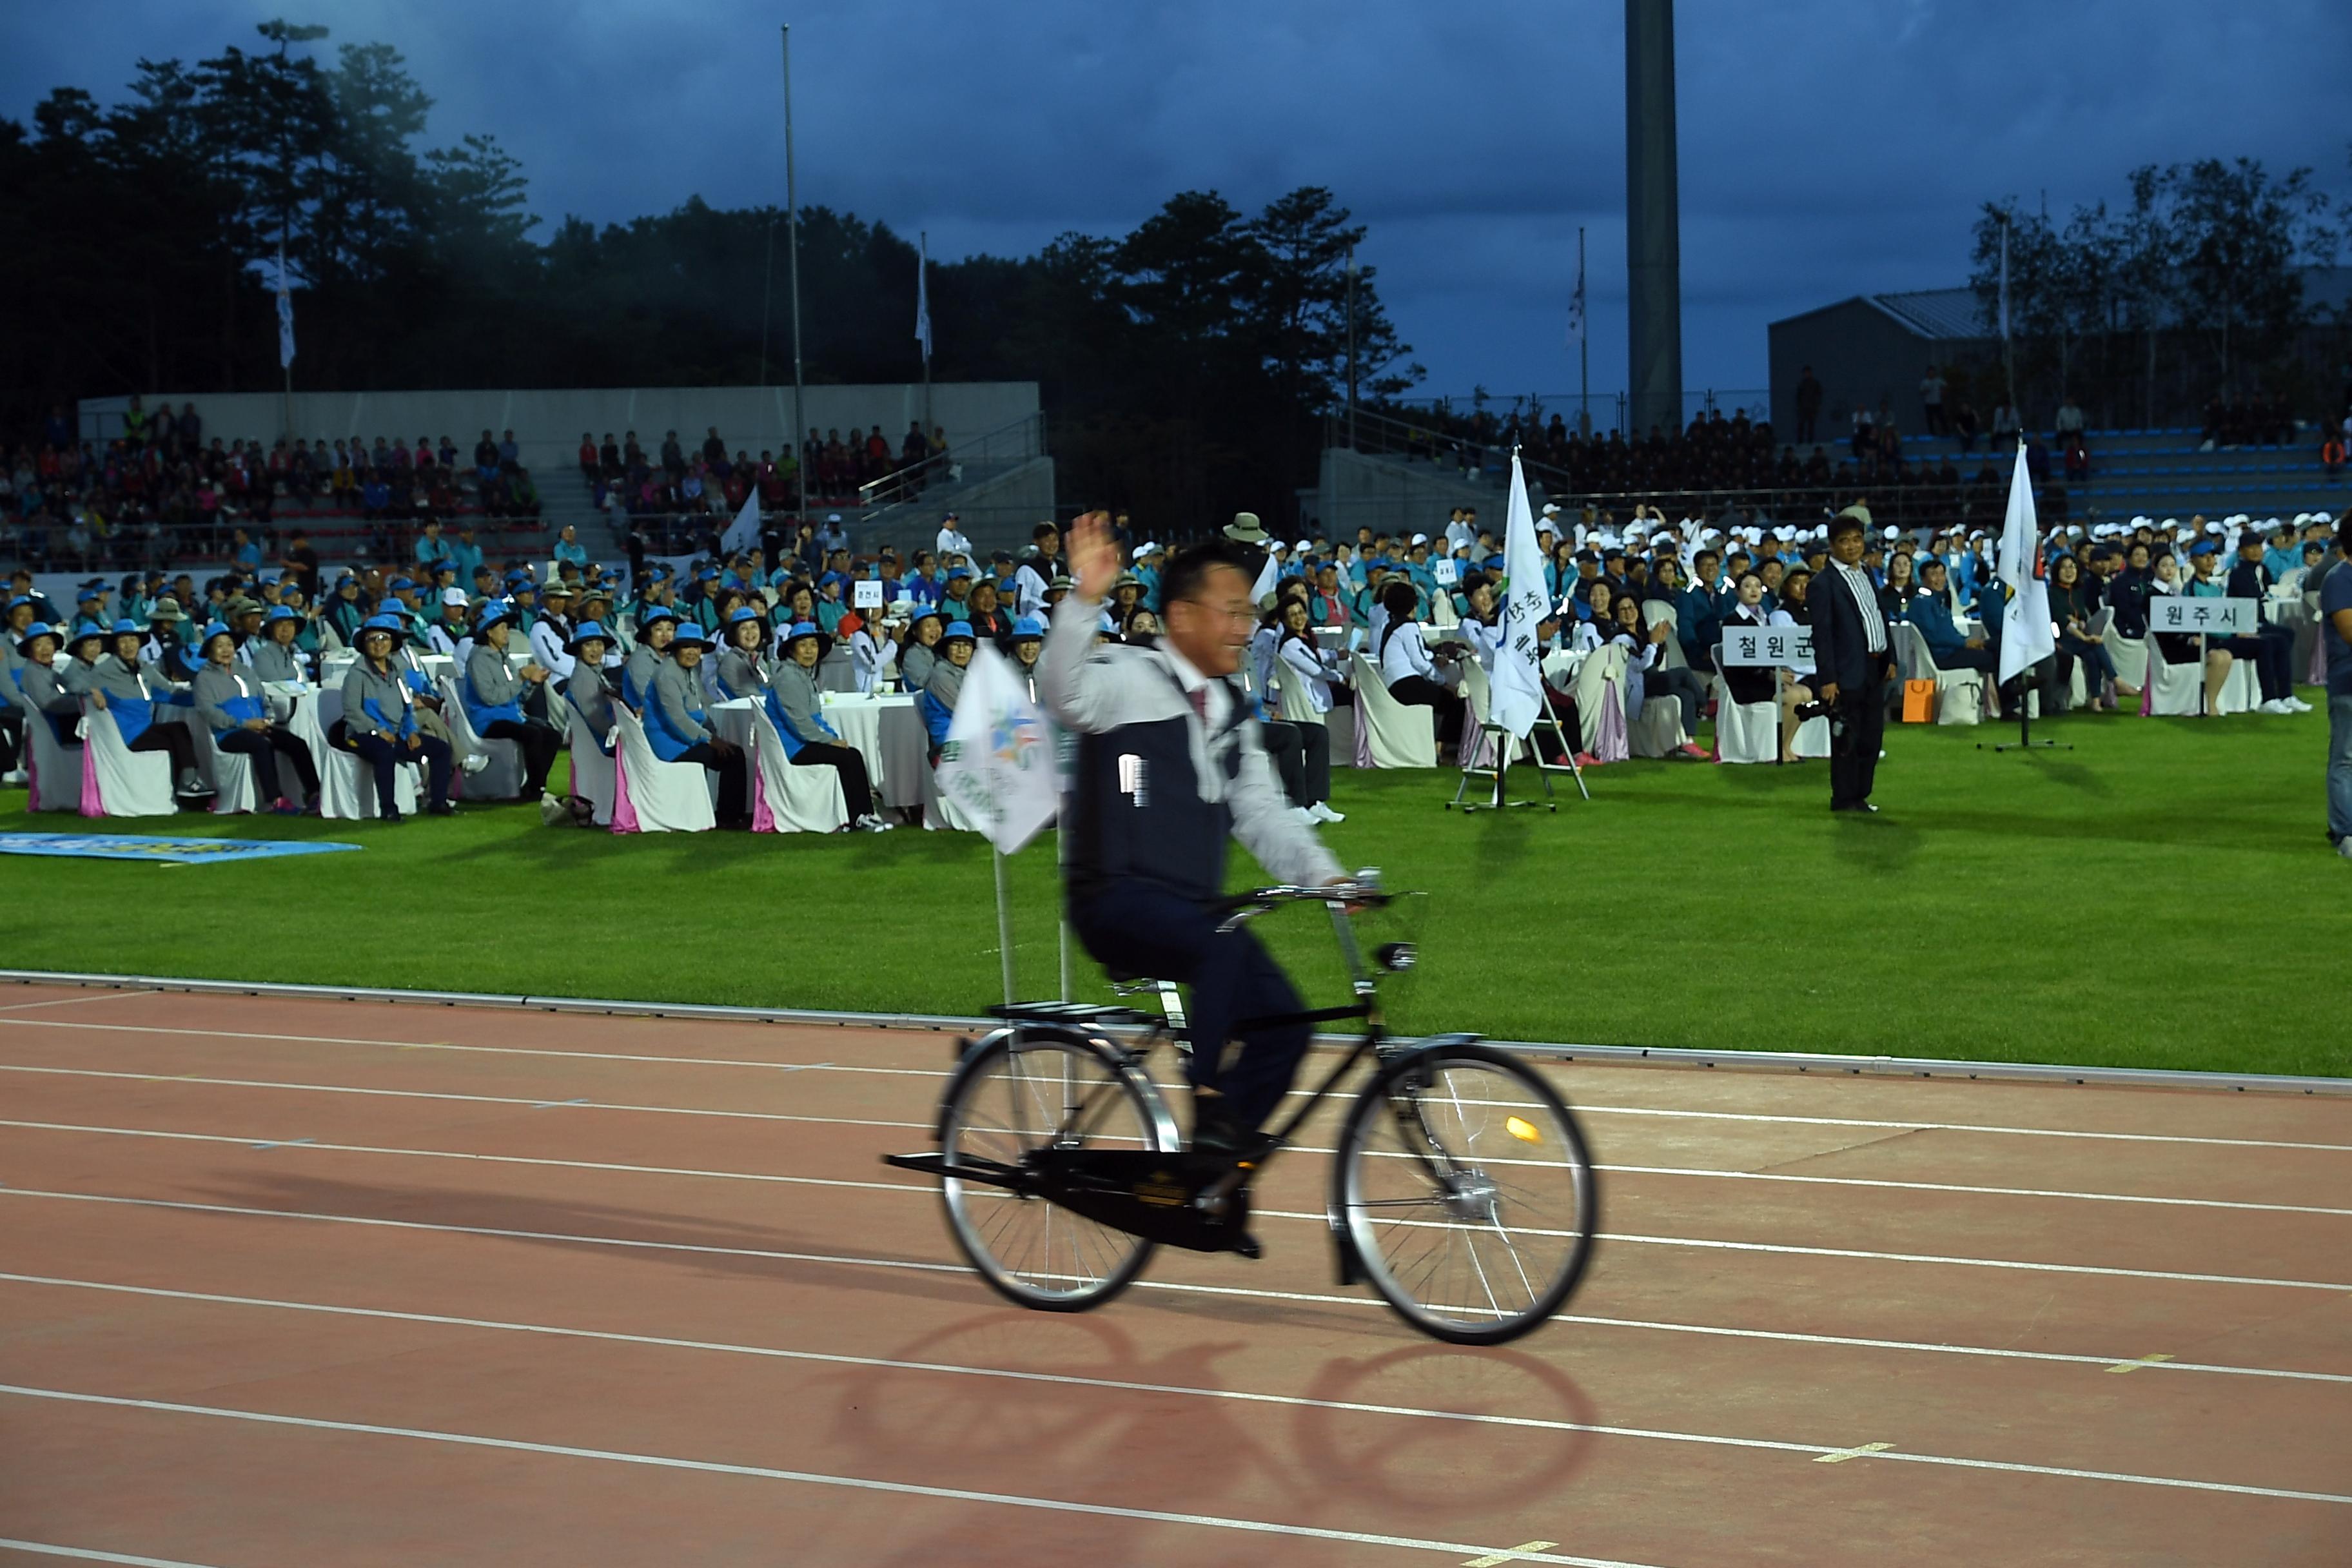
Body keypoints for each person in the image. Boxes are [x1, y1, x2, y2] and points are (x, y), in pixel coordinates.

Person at [1041, 513, 1346, 1175]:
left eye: (1249, 612)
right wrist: (1085, 596)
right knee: (1223, 943)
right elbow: (1060, 692)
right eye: (1231, 611)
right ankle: (1209, 1109)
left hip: (1193, 908)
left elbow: (1263, 812)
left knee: (1287, 1022)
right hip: (1116, 896)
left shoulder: (1233, 712)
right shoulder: (1127, 673)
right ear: (1180, 616)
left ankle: (1210, 1176)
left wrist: (1327, 877)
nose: (1246, 626)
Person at [764, 619, 890, 829]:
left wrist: (833, 738)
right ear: (792, 651)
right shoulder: (789, 678)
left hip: (801, 742)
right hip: (793, 747)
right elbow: (800, 724)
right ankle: (861, 815)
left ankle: (861, 814)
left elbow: (816, 718)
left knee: (849, 753)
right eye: (803, 646)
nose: (809, 651)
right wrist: (829, 741)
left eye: (813, 645)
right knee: (850, 758)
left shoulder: (801, 674)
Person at [1810, 508, 1895, 813]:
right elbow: (1822, 635)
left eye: (1857, 540)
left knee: (1872, 738)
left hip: (1874, 668)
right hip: (1846, 673)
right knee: (1847, 740)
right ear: (1832, 545)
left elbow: (1879, 617)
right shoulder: (1823, 583)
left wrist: (1890, 657)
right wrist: (1828, 679)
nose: (1852, 546)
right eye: (1844, 541)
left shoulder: (1867, 573)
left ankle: (1861, 795)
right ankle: (1844, 799)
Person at [193, 621, 319, 812]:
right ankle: (275, 799)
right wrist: (244, 724)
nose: (226, 650)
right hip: (228, 733)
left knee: (297, 743)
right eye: (220, 646)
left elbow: (264, 700)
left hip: (260, 727)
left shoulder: (245, 671)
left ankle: (314, 794)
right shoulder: (204, 678)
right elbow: (209, 712)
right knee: (261, 744)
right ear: (210, 651)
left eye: (229, 645)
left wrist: (267, 718)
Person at [340, 616, 456, 823]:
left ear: (392, 642)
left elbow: (407, 706)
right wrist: (377, 731)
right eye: (372, 639)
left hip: (397, 733)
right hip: (362, 734)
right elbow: (352, 711)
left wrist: (411, 731)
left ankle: (438, 802)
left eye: (384, 638)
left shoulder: (398, 671)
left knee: (441, 749)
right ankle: (389, 809)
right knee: (385, 752)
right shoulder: (356, 674)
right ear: (364, 645)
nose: (379, 643)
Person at [645, 623, 750, 827]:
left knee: (733, 752)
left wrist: (711, 732)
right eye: (687, 647)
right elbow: (676, 720)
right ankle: (729, 817)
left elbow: (698, 708)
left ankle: (730, 814)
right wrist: (710, 739)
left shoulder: (688, 671)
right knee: (732, 756)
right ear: (676, 649)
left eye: (696, 647)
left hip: (683, 737)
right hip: (668, 743)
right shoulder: (667, 675)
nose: (693, 652)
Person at [462, 602, 561, 799]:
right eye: (502, 628)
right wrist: (521, 678)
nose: (507, 632)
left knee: (553, 735)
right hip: (487, 720)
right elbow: (490, 698)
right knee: (533, 734)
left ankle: (536, 785)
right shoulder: (478, 660)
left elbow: (518, 697)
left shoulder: (504, 657)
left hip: (512, 715)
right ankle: (535, 789)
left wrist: (532, 683)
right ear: (489, 632)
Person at [1374, 580, 1467, 756]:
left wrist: (1434, 658)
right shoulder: (1408, 626)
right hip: (1408, 685)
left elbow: (1418, 653)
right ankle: (1442, 748)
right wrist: (1445, 683)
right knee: (1456, 701)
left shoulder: (1390, 626)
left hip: (1396, 684)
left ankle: (1440, 746)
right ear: (1413, 606)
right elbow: (1419, 661)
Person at [2320, 516, 2352, 861]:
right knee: (2345, 758)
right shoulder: (2340, 579)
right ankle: (2346, 832)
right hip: (2349, 680)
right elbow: (2349, 631)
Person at [918, 620, 974, 763]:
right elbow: (965, 711)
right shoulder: (941, 675)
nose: (961, 650)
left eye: (967, 645)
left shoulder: (969, 672)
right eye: (956, 645)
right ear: (946, 648)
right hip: (949, 744)